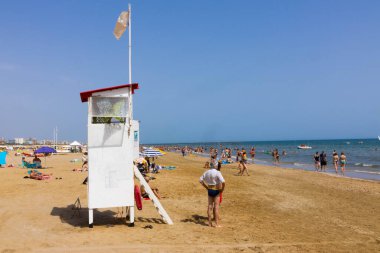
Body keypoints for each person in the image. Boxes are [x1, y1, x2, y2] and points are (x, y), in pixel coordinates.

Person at [199, 161, 225, 227]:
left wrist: (206, 187)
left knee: (210, 206)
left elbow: (200, 180)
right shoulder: (217, 172)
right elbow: (223, 181)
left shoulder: (207, 172)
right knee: (216, 207)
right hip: (216, 190)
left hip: (210, 189)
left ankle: (209, 223)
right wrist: (222, 189)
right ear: (215, 166)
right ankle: (216, 224)